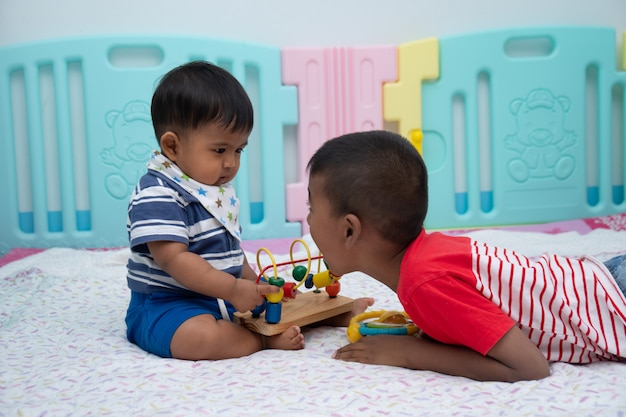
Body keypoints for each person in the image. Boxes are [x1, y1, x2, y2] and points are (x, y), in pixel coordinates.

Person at [305, 129, 626, 382]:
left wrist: (409, 352)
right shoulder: (425, 259)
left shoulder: (424, 283)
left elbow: (530, 367)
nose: (307, 221)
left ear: (349, 230)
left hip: (614, 303)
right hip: (603, 279)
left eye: (312, 208)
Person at [124, 61, 305, 360]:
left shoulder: (211, 190)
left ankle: (335, 314)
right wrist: (233, 289)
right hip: (167, 304)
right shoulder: (157, 192)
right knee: (201, 338)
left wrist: (253, 283)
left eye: (239, 150)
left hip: (218, 297)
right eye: (220, 150)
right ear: (172, 147)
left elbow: (231, 254)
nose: (231, 162)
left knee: (278, 304)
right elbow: (174, 259)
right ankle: (261, 343)